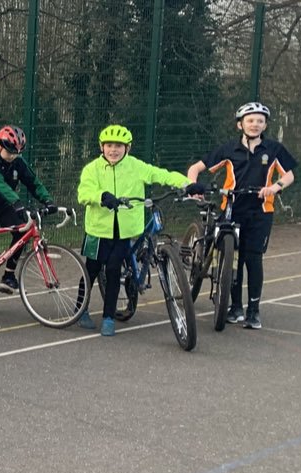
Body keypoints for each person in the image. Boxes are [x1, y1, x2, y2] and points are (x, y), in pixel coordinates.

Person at [76, 124, 206, 336]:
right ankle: (80, 310)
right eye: (109, 145)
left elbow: (160, 174)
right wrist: (101, 196)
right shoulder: (92, 169)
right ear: (102, 147)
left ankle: (109, 317)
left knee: (113, 270)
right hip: (98, 230)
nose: (113, 150)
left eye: (118, 146)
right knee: (90, 270)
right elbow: (84, 192)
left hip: (125, 230)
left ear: (127, 148)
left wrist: (187, 184)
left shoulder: (135, 166)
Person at [184, 102, 298, 329]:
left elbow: (289, 176)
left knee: (253, 259)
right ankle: (234, 306)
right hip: (231, 208)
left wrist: (274, 188)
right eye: (250, 120)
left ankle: (253, 310)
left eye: (260, 121)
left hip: (260, 211)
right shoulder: (228, 149)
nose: (255, 124)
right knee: (231, 258)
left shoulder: (274, 149)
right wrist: (193, 187)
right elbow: (195, 168)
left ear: (265, 125)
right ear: (240, 124)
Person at [0, 125, 54, 316]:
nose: (14, 156)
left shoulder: (18, 162)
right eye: (10, 152)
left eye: (17, 152)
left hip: (3, 207)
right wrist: (16, 202)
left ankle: (8, 274)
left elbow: (33, 182)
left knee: (23, 229)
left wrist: (47, 199)